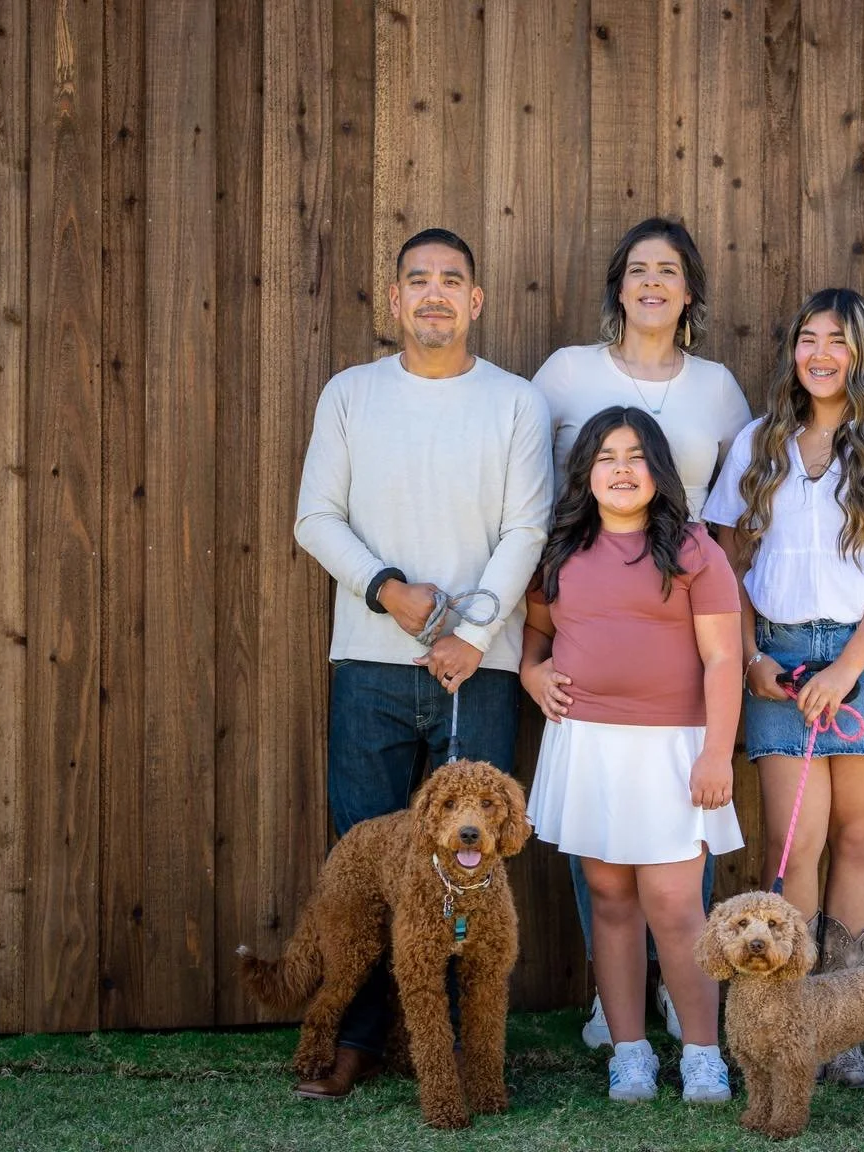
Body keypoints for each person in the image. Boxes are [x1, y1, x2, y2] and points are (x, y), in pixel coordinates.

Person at [291, 227, 553, 1098]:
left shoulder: (514, 402)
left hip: (475, 668)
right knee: (367, 866)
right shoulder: (349, 395)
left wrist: (471, 634)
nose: (434, 293)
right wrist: (390, 591)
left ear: (475, 301)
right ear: (395, 299)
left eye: (452, 280)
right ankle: (361, 1041)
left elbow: (527, 528)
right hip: (367, 660)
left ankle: (449, 1051)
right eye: (418, 280)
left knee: (468, 866)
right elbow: (316, 518)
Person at [704, 288, 864, 1086]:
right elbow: (726, 567)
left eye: (838, 341)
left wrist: (848, 668)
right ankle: (792, 1012)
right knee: (798, 840)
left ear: (862, 356)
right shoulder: (758, 441)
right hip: (780, 659)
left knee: (857, 836)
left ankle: (842, 1025)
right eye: (808, 338)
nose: (820, 353)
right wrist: (750, 660)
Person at [532, 217, 751, 1047]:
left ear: (690, 289)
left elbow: (735, 515)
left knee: (670, 889)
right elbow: (539, 572)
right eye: (637, 269)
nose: (652, 282)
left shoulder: (718, 390)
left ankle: (689, 1025)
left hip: (676, 679)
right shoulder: (564, 375)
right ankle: (617, 1015)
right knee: (607, 878)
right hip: (590, 704)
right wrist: (528, 667)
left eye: (669, 270)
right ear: (616, 285)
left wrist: (717, 736)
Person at [521, 406, 743, 1103]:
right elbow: (533, 641)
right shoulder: (559, 551)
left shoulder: (694, 549)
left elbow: (723, 658)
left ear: (659, 471)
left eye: (635, 455)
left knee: (675, 904)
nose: (621, 469)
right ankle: (630, 1050)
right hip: (589, 746)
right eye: (606, 457)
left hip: (674, 749)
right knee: (611, 899)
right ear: (586, 473)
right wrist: (531, 675)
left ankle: (703, 1052)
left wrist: (717, 754)